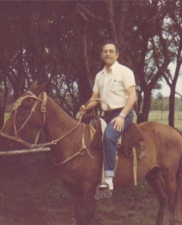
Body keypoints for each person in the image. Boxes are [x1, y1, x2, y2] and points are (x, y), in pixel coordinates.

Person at [79, 40, 136, 191]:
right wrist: (86, 107)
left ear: (117, 54)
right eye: (105, 51)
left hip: (124, 113)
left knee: (109, 136)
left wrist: (122, 116)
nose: (108, 54)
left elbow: (132, 97)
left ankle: (109, 179)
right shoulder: (100, 75)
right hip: (107, 114)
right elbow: (95, 99)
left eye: (111, 51)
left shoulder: (125, 72)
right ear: (101, 54)